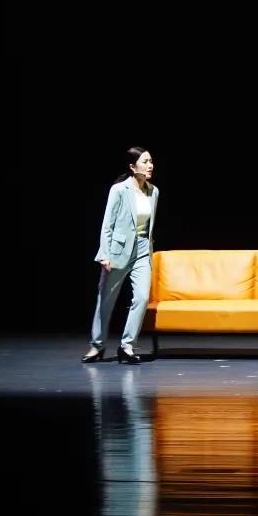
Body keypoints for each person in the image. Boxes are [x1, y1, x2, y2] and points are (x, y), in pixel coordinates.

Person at [82, 147, 159, 364]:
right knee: (106, 300)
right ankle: (97, 346)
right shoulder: (119, 190)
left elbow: (149, 226)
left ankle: (127, 346)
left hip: (143, 250)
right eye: (145, 162)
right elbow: (108, 224)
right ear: (133, 166)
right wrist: (104, 254)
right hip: (118, 250)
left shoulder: (154, 191)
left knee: (142, 298)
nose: (150, 165)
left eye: (151, 161)